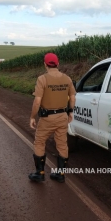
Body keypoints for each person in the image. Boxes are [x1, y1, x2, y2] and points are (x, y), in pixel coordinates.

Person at [29, 53, 76, 183]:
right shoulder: (67, 78)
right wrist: (70, 112)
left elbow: (37, 101)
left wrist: (32, 117)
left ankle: (40, 173)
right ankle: (60, 174)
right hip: (62, 116)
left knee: (39, 142)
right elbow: (72, 97)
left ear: (45, 64)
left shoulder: (42, 79)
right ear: (58, 64)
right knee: (62, 144)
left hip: (47, 118)